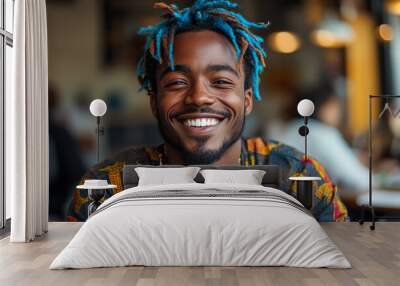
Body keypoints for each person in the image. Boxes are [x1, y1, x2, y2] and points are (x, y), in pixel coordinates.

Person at [67, 0, 348, 222]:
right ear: (154, 102)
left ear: (247, 100)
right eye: (177, 82)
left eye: (221, 82)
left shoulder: (298, 176)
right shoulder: (106, 186)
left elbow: (345, 254)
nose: (199, 96)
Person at [269, 83, 371, 195]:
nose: (339, 112)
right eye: (335, 106)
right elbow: (359, 180)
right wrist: (384, 177)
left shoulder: (291, 127)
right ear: (324, 107)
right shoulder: (323, 133)